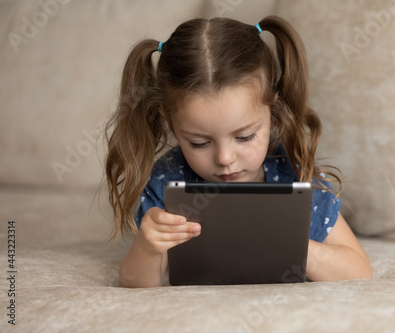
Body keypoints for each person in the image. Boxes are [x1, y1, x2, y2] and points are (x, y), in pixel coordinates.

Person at [105, 15, 372, 288]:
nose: (224, 158)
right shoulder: (167, 180)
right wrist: (147, 249)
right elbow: (135, 285)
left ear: (274, 113)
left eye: (244, 137)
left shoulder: (295, 172)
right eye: (199, 142)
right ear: (169, 121)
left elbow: (360, 270)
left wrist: (300, 251)